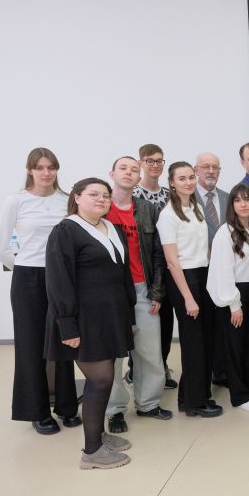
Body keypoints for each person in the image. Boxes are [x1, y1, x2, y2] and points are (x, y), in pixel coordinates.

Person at [45, 178, 134, 469]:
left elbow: (123, 274)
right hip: (84, 319)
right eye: (93, 194)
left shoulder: (112, 228)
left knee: (106, 379)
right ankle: (92, 452)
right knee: (100, 379)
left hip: (109, 316)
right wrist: (67, 325)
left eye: (105, 195)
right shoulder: (66, 230)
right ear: (77, 197)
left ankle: (98, 435)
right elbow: (58, 280)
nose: (101, 199)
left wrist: (128, 311)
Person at [0, 148, 80, 435]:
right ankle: (37, 411)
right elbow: (1, 248)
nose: (46, 173)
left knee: (65, 340)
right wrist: (25, 267)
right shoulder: (16, 201)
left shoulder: (66, 200)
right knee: (31, 346)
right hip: (28, 278)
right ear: (29, 170)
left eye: (51, 167)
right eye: (40, 167)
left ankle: (67, 407)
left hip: (61, 278)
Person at [105, 157, 171, 435]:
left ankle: (148, 403)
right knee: (113, 356)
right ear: (112, 173)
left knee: (150, 352)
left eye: (134, 169)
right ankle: (115, 410)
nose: (129, 173)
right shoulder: (100, 208)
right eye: (124, 168)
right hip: (111, 294)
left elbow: (158, 253)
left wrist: (156, 291)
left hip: (143, 288)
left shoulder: (146, 208)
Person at [157, 162, 221, 418]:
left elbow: (203, 248)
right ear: (172, 183)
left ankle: (189, 396)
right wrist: (188, 298)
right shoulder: (168, 216)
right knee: (193, 343)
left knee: (206, 339)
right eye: (182, 178)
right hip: (184, 279)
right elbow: (172, 261)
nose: (188, 182)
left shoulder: (196, 207)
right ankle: (196, 403)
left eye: (191, 177)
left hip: (203, 275)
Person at [206, 184, 249, 412]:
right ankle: (239, 396)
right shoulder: (225, 233)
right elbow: (223, 271)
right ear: (232, 205)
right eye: (238, 200)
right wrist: (234, 305)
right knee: (235, 346)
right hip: (235, 294)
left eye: (247, 199)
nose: (243, 204)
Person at [133, 143, 177, 390]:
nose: (155, 165)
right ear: (140, 163)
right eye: (149, 160)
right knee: (140, 325)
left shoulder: (170, 196)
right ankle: (135, 370)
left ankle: (163, 366)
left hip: (167, 269)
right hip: (143, 270)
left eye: (159, 161)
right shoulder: (133, 195)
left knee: (165, 324)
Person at [193, 152, 230, 388]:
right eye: (205, 166)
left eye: (215, 167)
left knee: (223, 322)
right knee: (203, 327)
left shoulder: (228, 198)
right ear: (196, 170)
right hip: (199, 271)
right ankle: (203, 379)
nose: (210, 171)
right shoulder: (185, 199)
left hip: (226, 270)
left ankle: (222, 371)